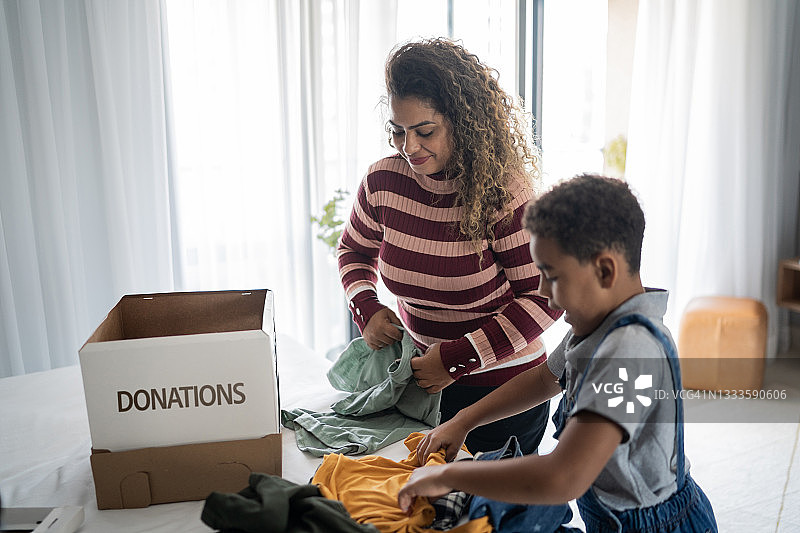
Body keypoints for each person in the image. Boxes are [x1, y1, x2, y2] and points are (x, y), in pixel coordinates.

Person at [397, 175, 718, 532]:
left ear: (605, 270)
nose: (542, 292)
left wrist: (452, 475)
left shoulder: (631, 353)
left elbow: (563, 478)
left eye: (551, 275)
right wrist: (464, 421)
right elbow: (542, 379)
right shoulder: (597, 326)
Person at [336, 37, 562, 456]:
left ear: (465, 121)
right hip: (422, 386)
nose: (409, 148)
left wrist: (457, 359)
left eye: (425, 131)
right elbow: (352, 251)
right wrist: (365, 308)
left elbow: (546, 299)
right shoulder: (383, 182)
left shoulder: (505, 193)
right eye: (399, 132)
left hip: (504, 395)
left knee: (492, 517)